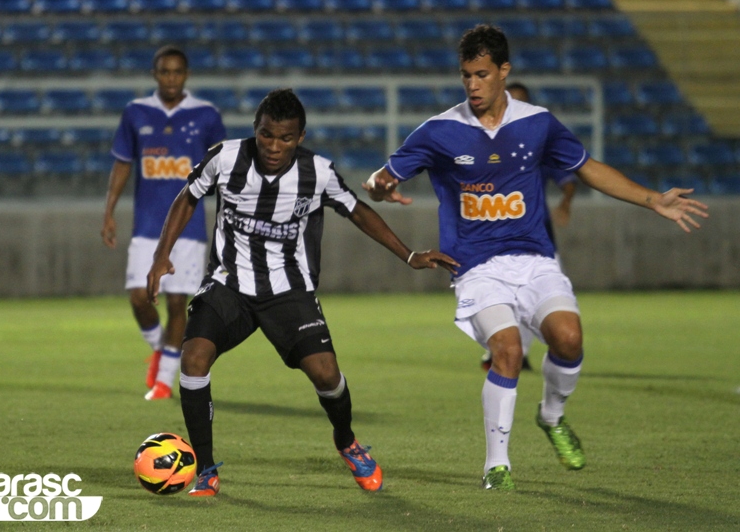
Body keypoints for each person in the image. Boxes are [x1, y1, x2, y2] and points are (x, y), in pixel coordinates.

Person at [364, 25, 708, 491]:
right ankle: (496, 466)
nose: (473, 85)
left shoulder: (538, 123)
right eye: (466, 75)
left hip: (534, 260)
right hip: (476, 266)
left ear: (504, 71)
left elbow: (588, 170)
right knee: (506, 349)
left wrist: (652, 200)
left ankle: (551, 415)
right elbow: (380, 179)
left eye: (482, 74)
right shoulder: (440, 130)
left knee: (568, 339)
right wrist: (380, 187)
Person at [146, 88, 458, 496]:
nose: (274, 147)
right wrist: (160, 255)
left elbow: (358, 210)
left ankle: (346, 440)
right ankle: (205, 469)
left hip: (289, 291)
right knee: (194, 358)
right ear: (255, 131)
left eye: (286, 138)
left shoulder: (318, 173)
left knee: (327, 374)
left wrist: (409, 254)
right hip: (230, 284)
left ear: (301, 136)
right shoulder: (225, 158)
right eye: (266, 136)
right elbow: (187, 197)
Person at [101, 45, 226, 401]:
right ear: (155, 75)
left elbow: (221, 169)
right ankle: (160, 348)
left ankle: (163, 382)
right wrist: (109, 211)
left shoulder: (206, 115)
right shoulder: (136, 113)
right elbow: (123, 163)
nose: (170, 78)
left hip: (188, 227)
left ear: (186, 75)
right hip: (146, 225)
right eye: (164, 72)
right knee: (139, 297)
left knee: (176, 303)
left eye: (177, 72)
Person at [480, 82, 578, 372]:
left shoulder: (539, 147)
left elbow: (568, 177)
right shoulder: (482, 144)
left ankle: (527, 352)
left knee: (550, 304)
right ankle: (506, 352)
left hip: (540, 242)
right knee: (501, 299)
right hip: (496, 241)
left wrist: (566, 202)